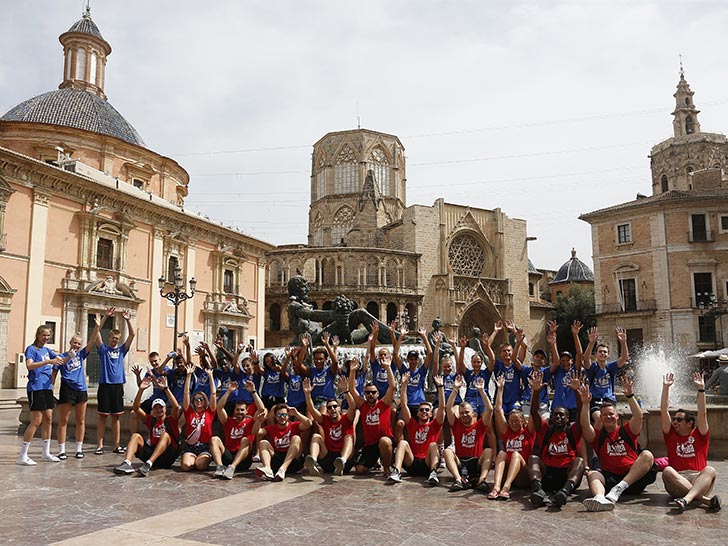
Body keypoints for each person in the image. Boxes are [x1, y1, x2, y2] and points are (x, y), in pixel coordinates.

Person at [580, 375, 656, 511]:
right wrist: (585, 403)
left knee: (647, 455)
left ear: (617, 416)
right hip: (610, 480)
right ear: (601, 419)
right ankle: (599, 498)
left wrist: (630, 395)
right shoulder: (599, 436)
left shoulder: (627, 430)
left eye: (611, 414)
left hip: (633, 480)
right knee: (592, 474)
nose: (608, 417)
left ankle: (619, 488)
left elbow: (638, 417)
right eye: (605, 415)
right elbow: (585, 426)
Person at [661, 372, 721, 512]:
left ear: (690, 423)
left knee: (710, 469)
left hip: (699, 480)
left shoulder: (701, 435)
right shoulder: (670, 435)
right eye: (674, 419)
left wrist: (701, 389)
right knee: (667, 470)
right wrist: (666, 388)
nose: (674, 422)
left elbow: (702, 412)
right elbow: (663, 411)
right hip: (676, 482)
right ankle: (703, 500)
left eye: (679, 420)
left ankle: (687, 499)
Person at [527, 369, 586, 507]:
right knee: (533, 458)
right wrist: (535, 392)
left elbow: (581, 413)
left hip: (566, 476)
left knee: (580, 461)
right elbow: (534, 413)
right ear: (551, 418)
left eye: (561, 415)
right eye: (555, 415)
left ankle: (564, 492)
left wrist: (577, 392)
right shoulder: (545, 430)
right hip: (548, 474)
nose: (558, 417)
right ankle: (538, 490)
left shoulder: (573, 431)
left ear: (567, 419)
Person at [17, 324, 65, 465]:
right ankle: (23, 455)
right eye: (44, 335)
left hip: (47, 388)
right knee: (36, 421)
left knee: (49, 419)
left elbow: (60, 360)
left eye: (48, 335)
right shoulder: (31, 349)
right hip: (35, 388)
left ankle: (45, 452)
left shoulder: (46, 350)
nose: (46, 338)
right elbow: (30, 366)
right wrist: (48, 361)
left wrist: (71, 354)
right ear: (38, 335)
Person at [114, 375, 180, 476]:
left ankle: (148, 465)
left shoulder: (171, 420)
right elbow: (136, 409)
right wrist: (141, 390)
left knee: (165, 435)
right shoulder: (151, 420)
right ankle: (126, 463)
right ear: (152, 410)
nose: (158, 410)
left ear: (165, 408)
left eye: (161, 408)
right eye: (156, 408)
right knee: (136, 436)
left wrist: (166, 389)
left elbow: (175, 406)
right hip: (152, 452)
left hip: (167, 457)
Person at [388, 374, 445, 486]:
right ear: (417, 413)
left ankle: (433, 473)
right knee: (403, 443)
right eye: (421, 410)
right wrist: (404, 385)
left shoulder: (435, 424)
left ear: (430, 413)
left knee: (433, 445)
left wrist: (440, 387)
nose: (424, 412)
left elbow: (442, 407)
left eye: (427, 410)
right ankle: (396, 471)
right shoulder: (412, 424)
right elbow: (404, 405)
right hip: (412, 462)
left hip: (428, 464)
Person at [93, 307, 135, 455]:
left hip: (117, 386)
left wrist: (128, 320)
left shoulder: (122, 350)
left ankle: (116, 445)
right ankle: (99, 445)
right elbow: (96, 333)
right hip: (105, 385)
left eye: (117, 338)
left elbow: (132, 335)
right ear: (109, 338)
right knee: (103, 416)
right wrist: (104, 317)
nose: (114, 340)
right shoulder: (103, 349)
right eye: (112, 338)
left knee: (116, 416)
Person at [444, 375, 494, 492]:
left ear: (473, 413)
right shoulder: (456, 424)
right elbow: (448, 408)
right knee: (447, 451)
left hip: (477, 461)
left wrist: (481, 391)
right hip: (460, 461)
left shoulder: (480, 425)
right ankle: (458, 480)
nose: (464, 415)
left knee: (489, 451)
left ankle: (482, 480)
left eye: (467, 412)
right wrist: (455, 389)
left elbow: (490, 409)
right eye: (462, 413)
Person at [489, 375, 536, 500]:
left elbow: (533, 411)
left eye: (516, 421)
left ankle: (506, 488)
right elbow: (498, 410)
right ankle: (496, 487)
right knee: (502, 453)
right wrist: (500, 389)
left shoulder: (528, 432)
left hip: (523, 475)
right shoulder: (507, 432)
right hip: (508, 471)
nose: (513, 423)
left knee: (515, 454)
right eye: (511, 421)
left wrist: (533, 391)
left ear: (522, 421)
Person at [349, 358, 396, 475]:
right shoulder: (362, 405)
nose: (371, 395)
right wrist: (352, 371)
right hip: (370, 445)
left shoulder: (384, 403)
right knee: (359, 470)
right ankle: (374, 460)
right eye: (368, 392)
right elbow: (351, 389)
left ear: (378, 394)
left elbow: (393, 387)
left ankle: (386, 467)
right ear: (364, 394)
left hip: (385, 441)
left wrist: (388, 367)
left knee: (384, 441)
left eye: (373, 392)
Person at [210, 380, 265, 480]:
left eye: (242, 410)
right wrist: (229, 391)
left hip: (243, 460)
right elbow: (219, 408)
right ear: (234, 411)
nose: (239, 412)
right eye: (237, 409)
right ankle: (220, 467)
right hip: (228, 457)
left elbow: (261, 409)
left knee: (245, 440)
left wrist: (253, 392)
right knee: (214, 439)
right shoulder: (229, 421)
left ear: (247, 411)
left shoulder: (251, 421)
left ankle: (232, 468)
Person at [304, 376, 356, 476]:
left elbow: (353, 407)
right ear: (327, 411)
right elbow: (311, 409)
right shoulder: (325, 419)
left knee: (349, 437)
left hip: (344, 457)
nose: (332, 409)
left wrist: (346, 391)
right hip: (328, 458)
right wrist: (307, 394)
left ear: (340, 409)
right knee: (316, 436)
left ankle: (342, 462)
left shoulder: (347, 418)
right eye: (329, 408)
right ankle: (312, 461)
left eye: (335, 406)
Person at [52, 333, 92, 459]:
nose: (77, 345)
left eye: (79, 343)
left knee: (81, 420)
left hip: (81, 389)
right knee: (64, 420)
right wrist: (50, 389)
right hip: (67, 388)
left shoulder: (81, 355)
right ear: (70, 342)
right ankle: (61, 450)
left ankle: (79, 449)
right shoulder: (61, 356)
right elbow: (55, 371)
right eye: (75, 342)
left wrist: (98, 326)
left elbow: (92, 342)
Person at [254, 402, 312, 481]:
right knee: (263, 442)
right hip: (277, 460)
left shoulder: (294, 425)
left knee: (296, 438)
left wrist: (296, 414)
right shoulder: (271, 428)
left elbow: (309, 423)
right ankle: (267, 469)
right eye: (279, 415)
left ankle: (283, 469)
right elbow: (255, 432)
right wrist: (258, 421)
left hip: (293, 462)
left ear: (288, 415)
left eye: (284, 415)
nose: (282, 417)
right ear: (275, 416)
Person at [582, 326, 629, 422]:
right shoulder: (592, 368)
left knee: (612, 419)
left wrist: (623, 343)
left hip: (609, 400)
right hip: (595, 400)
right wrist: (591, 343)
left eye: (605, 352)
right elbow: (586, 359)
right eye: (600, 352)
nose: (602, 353)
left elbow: (624, 357)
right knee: (599, 419)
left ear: (608, 355)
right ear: (596, 355)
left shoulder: (611, 367)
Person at [180, 362, 217, 472]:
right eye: (196, 399)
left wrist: (210, 376)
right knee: (186, 466)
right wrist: (188, 376)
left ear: (205, 401)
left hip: (205, 446)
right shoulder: (189, 411)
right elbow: (186, 393)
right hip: (191, 446)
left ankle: (204, 459)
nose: (199, 401)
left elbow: (213, 394)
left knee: (200, 465)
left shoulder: (209, 412)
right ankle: (193, 459)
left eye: (201, 399)